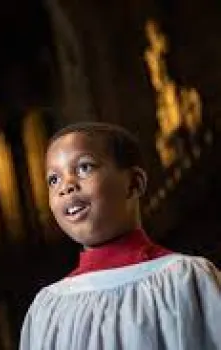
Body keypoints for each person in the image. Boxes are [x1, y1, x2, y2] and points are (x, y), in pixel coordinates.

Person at [19, 122, 221, 350]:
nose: (66, 187)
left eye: (84, 168)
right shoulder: (48, 308)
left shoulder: (185, 279)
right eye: (53, 179)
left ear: (134, 184)